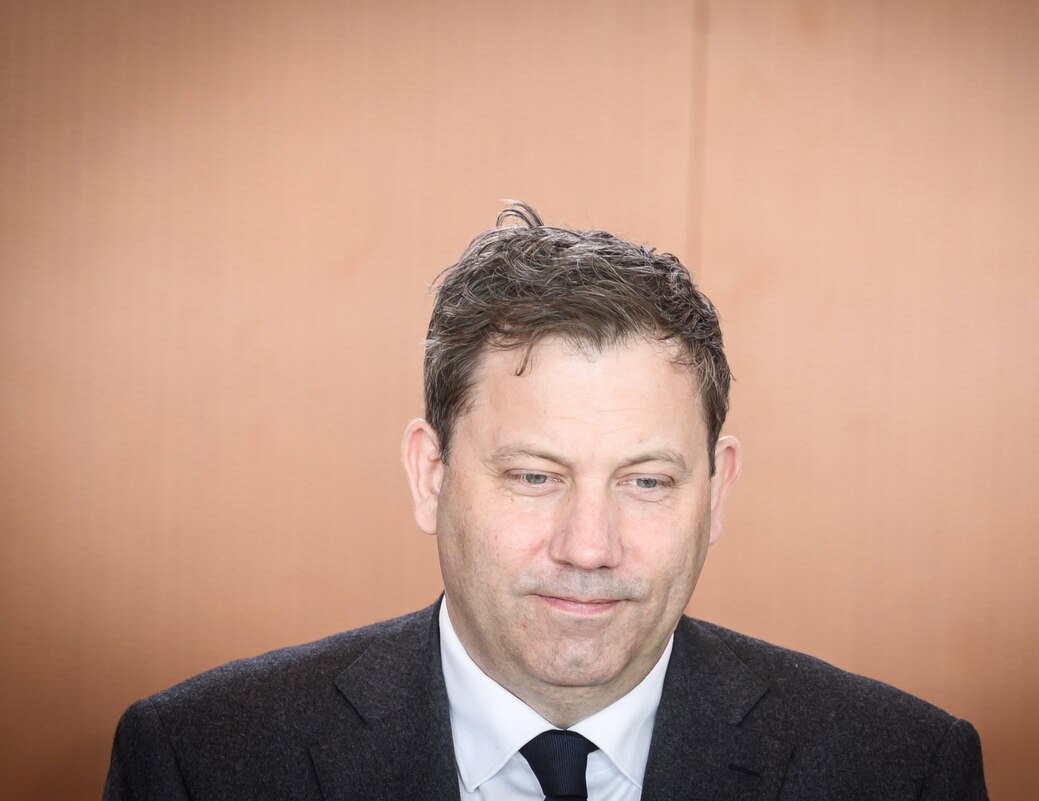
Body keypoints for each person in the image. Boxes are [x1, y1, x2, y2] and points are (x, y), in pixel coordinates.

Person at [103, 202, 988, 801]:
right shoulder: (199, 762)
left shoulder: (902, 772)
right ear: (430, 472)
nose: (589, 546)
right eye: (535, 476)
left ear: (717, 492)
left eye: (646, 481)